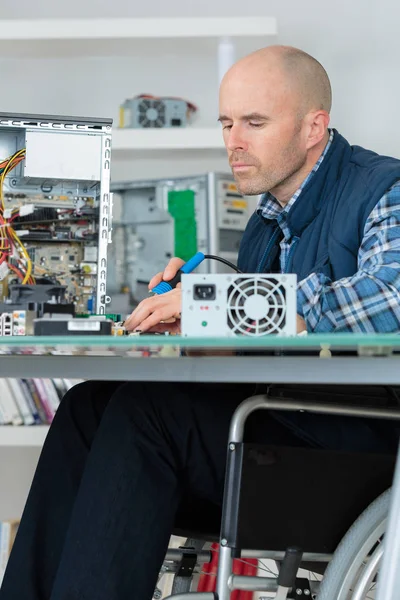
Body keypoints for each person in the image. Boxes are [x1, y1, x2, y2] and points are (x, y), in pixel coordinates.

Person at [1, 45, 400, 600]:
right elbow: (246, 364)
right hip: (279, 432)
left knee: (146, 418)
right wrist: (196, 326)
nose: (234, 141)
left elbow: (388, 300)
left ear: (315, 127)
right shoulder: (265, 225)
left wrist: (221, 301)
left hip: (354, 453)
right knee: (86, 407)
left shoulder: (386, 189)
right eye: (227, 122)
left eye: (255, 123)